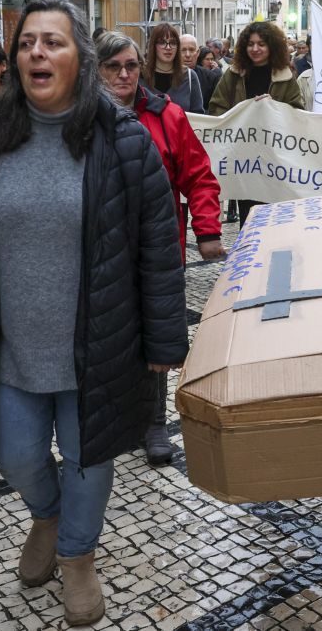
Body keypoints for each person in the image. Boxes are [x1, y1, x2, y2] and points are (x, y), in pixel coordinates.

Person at [0, 0, 188, 627]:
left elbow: (158, 249)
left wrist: (164, 343)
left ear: (82, 60)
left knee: (87, 458)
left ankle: (76, 557)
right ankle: (46, 515)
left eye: (53, 43)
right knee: (16, 454)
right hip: (11, 347)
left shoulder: (125, 143)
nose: (36, 54)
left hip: (97, 346)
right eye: (27, 44)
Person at [96, 30, 224, 466]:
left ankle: (153, 421)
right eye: (113, 66)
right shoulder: (78, 119)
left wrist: (207, 231)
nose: (124, 74)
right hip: (99, 250)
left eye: (131, 66)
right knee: (105, 333)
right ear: (96, 71)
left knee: (157, 331)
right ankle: (110, 415)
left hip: (158, 247)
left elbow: (200, 176)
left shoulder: (166, 115)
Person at [209, 21, 305, 226]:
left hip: (276, 161)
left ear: (271, 47)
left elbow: (298, 114)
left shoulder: (285, 77)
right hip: (244, 161)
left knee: (276, 218)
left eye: (261, 44)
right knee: (249, 217)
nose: (255, 49)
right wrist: (242, 114)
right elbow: (217, 108)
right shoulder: (233, 76)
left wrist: (274, 108)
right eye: (251, 44)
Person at [139, 23, 205, 114]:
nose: (168, 47)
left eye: (173, 43)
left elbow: (198, 115)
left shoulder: (189, 76)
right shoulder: (140, 75)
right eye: (162, 42)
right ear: (153, 46)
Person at [181, 33, 220, 112]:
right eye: (183, 50)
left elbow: (215, 109)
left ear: (198, 52)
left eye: (191, 50)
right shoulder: (167, 76)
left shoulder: (211, 77)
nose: (187, 55)